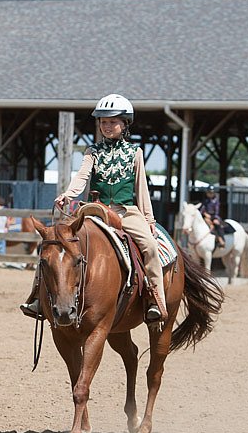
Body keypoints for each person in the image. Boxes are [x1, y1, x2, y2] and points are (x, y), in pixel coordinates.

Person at [20, 93, 167, 322]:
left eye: (112, 121)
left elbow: (141, 188)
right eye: (103, 122)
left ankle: (154, 299)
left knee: (149, 246)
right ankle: (37, 298)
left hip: (125, 212)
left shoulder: (135, 153)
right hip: (93, 210)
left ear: (124, 123)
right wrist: (68, 195)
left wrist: (149, 220)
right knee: (55, 241)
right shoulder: (92, 152)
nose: (107, 126)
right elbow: (81, 177)